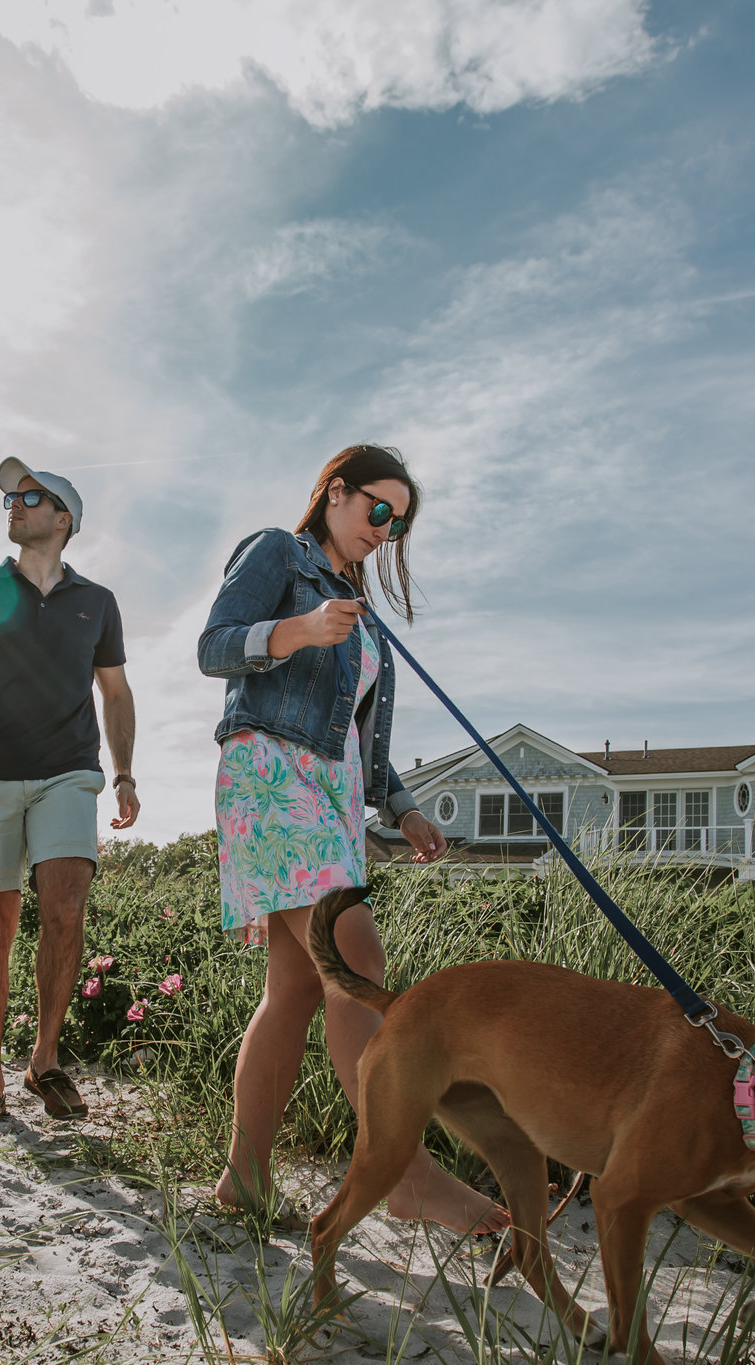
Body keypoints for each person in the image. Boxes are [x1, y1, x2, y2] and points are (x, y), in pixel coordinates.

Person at [195, 443, 510, 1234]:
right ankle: (403, 1175)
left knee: (298, 989)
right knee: (356, 958)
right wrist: (297, 630)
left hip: (331, 798)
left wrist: (400, 808)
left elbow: (361, 744)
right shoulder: (279, 553)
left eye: (397, 525)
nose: (384, 530)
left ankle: (245, 1178)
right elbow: (213, 645)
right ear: (335, 492)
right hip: (269, 773)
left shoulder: (359, 612)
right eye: (378, 510)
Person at [0, 457, 139, 1129]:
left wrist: (125, 772)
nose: (15, 503)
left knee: (66, 909)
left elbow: (116, 692)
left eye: (32, 495)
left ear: (64, 519)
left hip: (68, 772)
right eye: (11, 496)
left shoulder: (96, 602)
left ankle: (43, 1059)